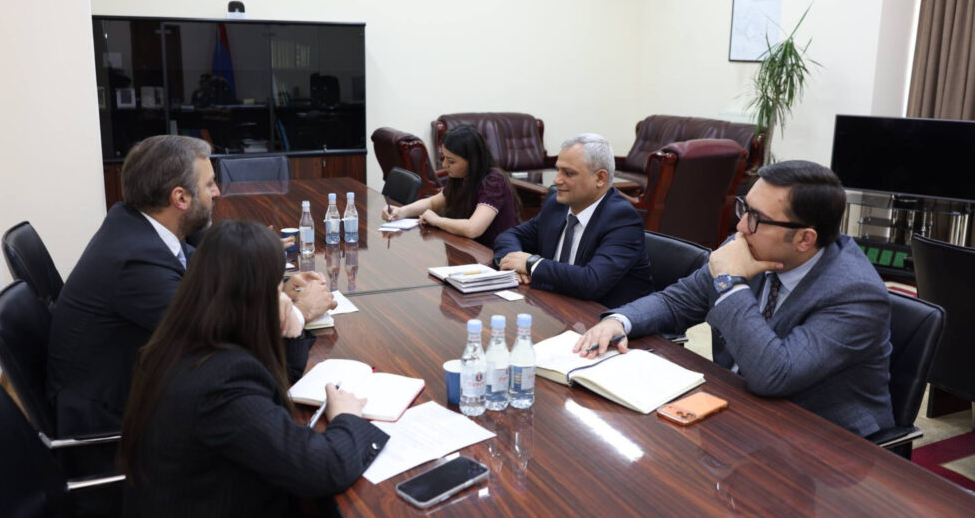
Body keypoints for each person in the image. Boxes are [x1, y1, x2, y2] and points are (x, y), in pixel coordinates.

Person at [575, 160, 893, 437]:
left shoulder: (855, 294)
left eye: (756, 217)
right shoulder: (749, 244)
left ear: (804, 239)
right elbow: (677, 302)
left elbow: (774, 375)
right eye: (745, 208)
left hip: (823, 442)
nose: (740, 226)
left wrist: (731, 284)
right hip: (737, 406)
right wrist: (620, 321)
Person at [47, 135, 335, 437]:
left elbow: (209, 282)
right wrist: (300, 312)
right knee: (278, 419)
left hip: (140, 384)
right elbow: (219, 335)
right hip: (115, 422)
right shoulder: (135, 261)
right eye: (209, 184)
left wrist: (277, 289)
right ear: (181, 198)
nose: (217, 192)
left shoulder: (139, 228)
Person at [120, 221, 387, 517]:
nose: (283, 297)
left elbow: (273, 387)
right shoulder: (223, 383)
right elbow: (321, 468)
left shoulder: (180, 339)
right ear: (253, 296)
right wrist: (348, 417)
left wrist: (290, 326)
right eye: (277, 288)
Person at [493, 133, 653, 308]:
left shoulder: (622, 219)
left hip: (608, 315)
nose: (557, 180)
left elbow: (591, 282)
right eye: (558, 170)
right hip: (557, 306)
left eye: (569, 173)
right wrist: (514, 265)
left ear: (600, 178)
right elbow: (509, 236)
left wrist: (531, 264)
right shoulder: (556, 204)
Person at [381, 125, 520, 248]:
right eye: (444, 158)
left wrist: (437, 220)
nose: (444, 165)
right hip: (469, 248)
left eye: (451, 161)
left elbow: (473, 229)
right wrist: (402, 211)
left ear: (472, 160)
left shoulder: (493, 181)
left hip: (496, 254)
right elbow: (433, 202)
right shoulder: (461, 177)